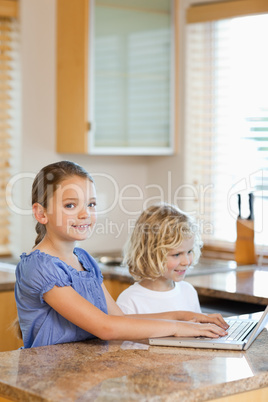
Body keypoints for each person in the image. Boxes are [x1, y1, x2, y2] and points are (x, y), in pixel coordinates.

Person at [15, 161, 228, 349]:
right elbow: (106, 327)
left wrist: (184, 317)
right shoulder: (39, 267)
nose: (84, 214)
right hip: (51, 379)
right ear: (41, 213)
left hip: (86, 374)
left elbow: (119, 318)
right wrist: (177, 327)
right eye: (71, 205)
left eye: (91, 204)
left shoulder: (83, 260)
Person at [117, 204, 206, 315]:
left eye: (189, 252)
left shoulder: (189, 292)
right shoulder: (130, 301)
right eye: (177, 254)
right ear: (151, 255)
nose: (186, 262)